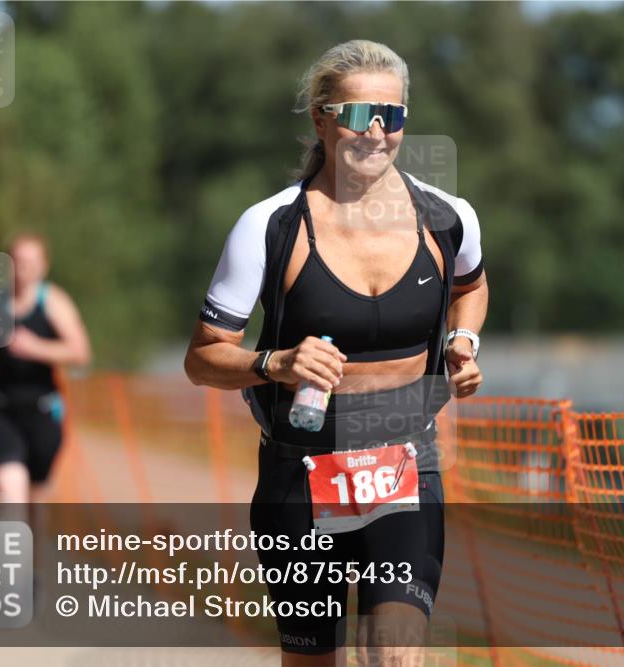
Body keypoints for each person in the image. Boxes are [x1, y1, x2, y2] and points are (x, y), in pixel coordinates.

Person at [185, 40, 488, 666]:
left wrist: (464, 339)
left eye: (391, 115)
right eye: (357, 115)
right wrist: (274, 363)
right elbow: (203, 357)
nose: (376, 131)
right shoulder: (271, 226)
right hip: (300, 470)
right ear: (321, 119)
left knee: (395, 650)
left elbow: (471, 286)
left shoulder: (446, 218)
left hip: (405, 462)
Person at [0, 234, 91, 503]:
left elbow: (81, 353)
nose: (24, 268)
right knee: (11, 492)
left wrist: (36, 348)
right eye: (18, 261)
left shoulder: (53, 302)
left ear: (44, 265)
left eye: (31, 262)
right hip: (0, 409)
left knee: (36, 498)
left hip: (42, 411)